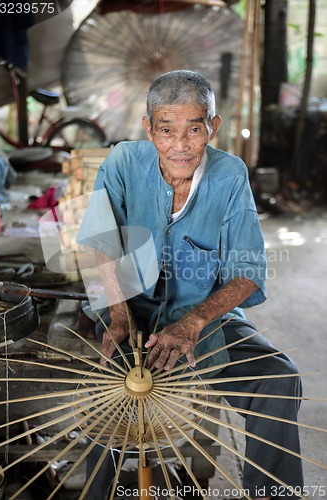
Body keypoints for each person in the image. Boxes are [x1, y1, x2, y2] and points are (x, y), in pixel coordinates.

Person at [77, 70, 303, 499]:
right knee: (110, 386)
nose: (180, 145)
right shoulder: (123, 162)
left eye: (194, 129)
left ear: (212, 127)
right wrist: (118, 313)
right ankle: (96, 492)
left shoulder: (230, 175)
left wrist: (194, 321)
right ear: (149, 128)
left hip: (202, 318)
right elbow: (100, 241)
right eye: (166, 129)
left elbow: (247, 271)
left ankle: (275, 495)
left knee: (280, 377)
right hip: (128, 309)